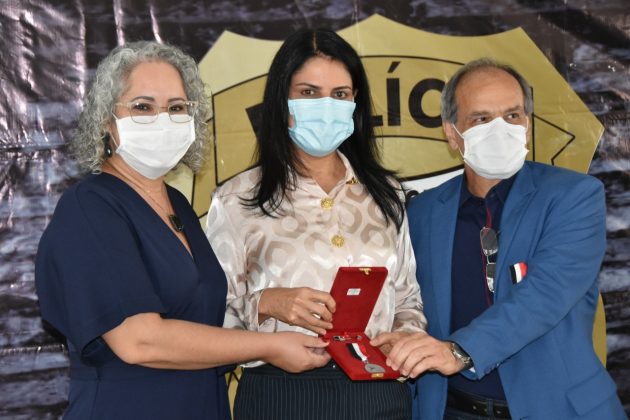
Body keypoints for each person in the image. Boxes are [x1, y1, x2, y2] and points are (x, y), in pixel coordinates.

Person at [34, 41, 331, 420]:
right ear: (107, 121)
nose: (163, 119)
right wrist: (268, 346)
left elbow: (204, 320)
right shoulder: (90, 207)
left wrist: (268, 305)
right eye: (143, 107)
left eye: (176, 108)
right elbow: (138, 341)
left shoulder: (177, 203)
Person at [372, 58, 627, 419]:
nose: (500, 129)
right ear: (452, 133)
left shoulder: (574, 197)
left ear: (527, 125)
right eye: (481, 118)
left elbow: (545, 295)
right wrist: (400, 333)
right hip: (451, 410)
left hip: (558, 410)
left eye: (512, 115)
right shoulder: (423, 212)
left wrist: (459, 351)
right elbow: (406, 297)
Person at [205, 28, 427, 420]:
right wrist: (267, 303)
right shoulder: (236, 199)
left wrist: (403, 339)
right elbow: (209, 317)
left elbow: (407, 298)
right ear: (282, 100)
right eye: (309, 92)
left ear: (355, 103)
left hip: (379, 392)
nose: (326, 106)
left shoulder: (387, 193)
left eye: (340, 94)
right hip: (281, 394)